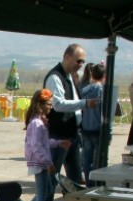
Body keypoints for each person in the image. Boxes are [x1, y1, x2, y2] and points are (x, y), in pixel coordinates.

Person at [44, 44, 97, 186]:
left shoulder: (71, 77)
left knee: (75, 180)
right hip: (59, 136)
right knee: (50, 182)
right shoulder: (55, 77)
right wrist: (84, 103)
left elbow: (73, 102)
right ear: (67, 57)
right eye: (78, 61)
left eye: (83, 62)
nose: (80, 65)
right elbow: (58, 104)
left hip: (72, 134)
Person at [25, 89, 70, 201]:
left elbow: (44, 142)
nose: (51, 107)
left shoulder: (39, 122)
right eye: (49, 104)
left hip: (42, 161)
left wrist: (59, 143)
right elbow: (36, 146)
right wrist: (48, 163)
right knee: (42, 193)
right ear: (40, 105)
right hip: (39, 163)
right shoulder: (36, 123)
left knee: (48, 190)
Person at [81, 63, 107, 186]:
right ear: (104, 76)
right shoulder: (102, 92)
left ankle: (88, 184)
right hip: (98, 129)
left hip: (85, 129)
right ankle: (97, 184)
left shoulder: (84, 90)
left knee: (86, 159)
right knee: (98, 160)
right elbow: (105, 113)